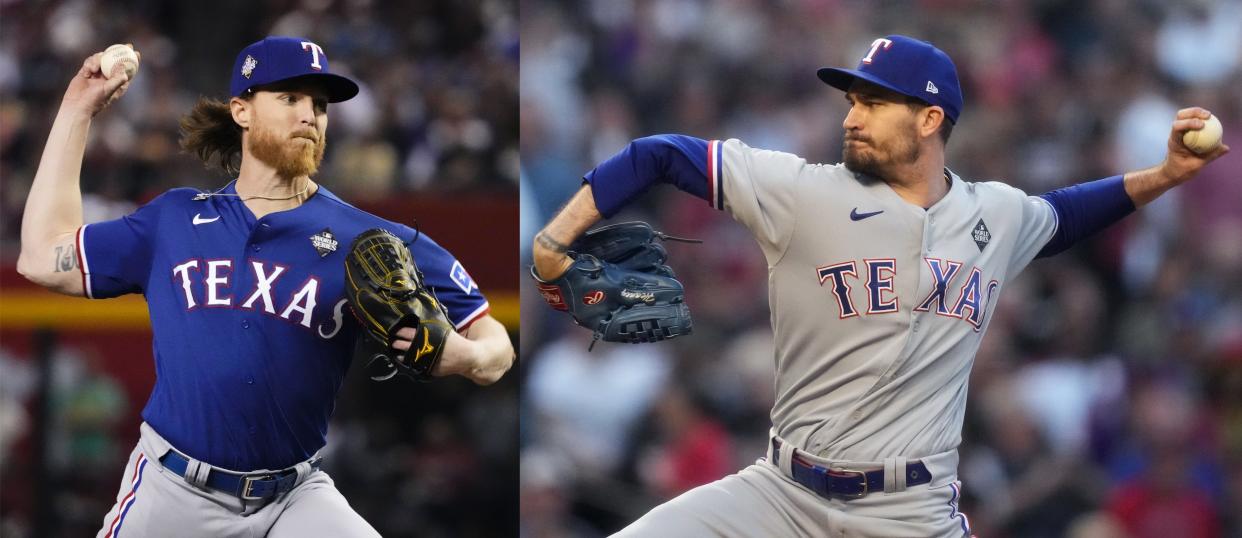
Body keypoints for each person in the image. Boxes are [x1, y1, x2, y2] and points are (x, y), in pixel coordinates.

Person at [530, 35, 1229, 537]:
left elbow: (1069, 215)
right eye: (851, 99)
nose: (851, 115)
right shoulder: (800, 191)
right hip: (777, 497)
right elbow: (659, 155)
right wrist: (555, 237)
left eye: (873, 102)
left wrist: (1164, 176)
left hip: (908, 514)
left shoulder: (996, 214)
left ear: (930, 120)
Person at [17, 36, 515, 537]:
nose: (310, 116)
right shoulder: (174, 219)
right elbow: (41, 256)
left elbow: (498, 345)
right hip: (173, 492)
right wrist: (77, 109)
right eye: (290, 98)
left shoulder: (370, 240)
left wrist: (467, 356)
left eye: (319, 105)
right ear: (241, 110)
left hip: (293, 500)